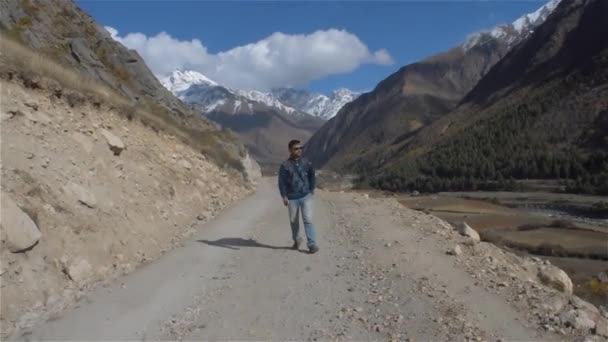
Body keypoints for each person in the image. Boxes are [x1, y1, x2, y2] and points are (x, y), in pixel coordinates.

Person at [278, 140, 318, 254]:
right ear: (290, 150)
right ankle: (297, 240)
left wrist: (311, 189)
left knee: (308, 220)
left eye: (301, 148)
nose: (299, 150)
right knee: (294, 222)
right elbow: (281, 182)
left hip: (306, 196)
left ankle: (312, 244)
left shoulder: (306, 162)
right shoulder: (285, 165)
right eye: (296, 148)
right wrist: (284, 195)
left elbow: (312, 175)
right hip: (292, 198)